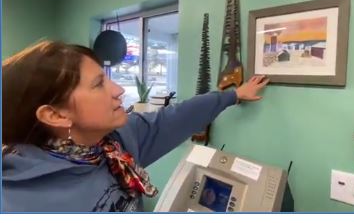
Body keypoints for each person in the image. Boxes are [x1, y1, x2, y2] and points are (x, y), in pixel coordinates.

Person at [2, 40, 269, 212]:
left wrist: (232, 95)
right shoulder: (18, 200)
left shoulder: (116, 141)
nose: (118, 90)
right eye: (98, 84)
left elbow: (176, 117)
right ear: (55, 115)